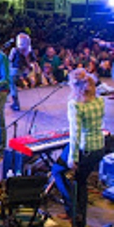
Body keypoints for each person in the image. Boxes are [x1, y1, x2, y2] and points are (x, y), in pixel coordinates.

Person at [52, 68, 105, 226]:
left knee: (57, 171)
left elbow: (75, 134)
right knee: (81, 182)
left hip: (84, 148)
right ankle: (77, 216)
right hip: (99, 147)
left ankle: (74, 213)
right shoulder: (99, 100)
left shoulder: (75, 105)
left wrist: (72, 158)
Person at [8, 33, 36, 111]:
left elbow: (10, 60)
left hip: (17, 71)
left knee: (11, 82)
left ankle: (15, 103)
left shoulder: (15, 50)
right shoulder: (29, 51)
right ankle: (14, 100)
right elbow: (33, 61)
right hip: (25, 70)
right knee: (11, 81)